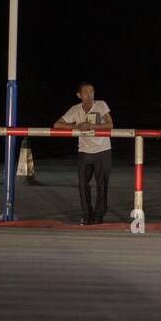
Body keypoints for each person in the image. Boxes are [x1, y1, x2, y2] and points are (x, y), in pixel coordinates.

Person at [54, 81, 113, 224]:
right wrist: (75, 126)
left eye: (91, 91)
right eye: (86, 92)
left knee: (102, 184)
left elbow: (110, 124)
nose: (89, 95)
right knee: (82, 184)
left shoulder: (101, 105)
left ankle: (99, 215)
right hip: (84, 152)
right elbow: (57, 124)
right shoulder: (75, 109)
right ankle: (87, 214)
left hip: (102, 150)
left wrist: (91, 126)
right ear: (79, 95)